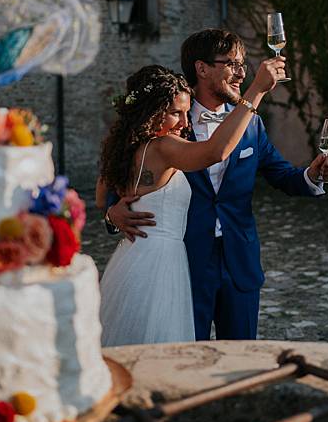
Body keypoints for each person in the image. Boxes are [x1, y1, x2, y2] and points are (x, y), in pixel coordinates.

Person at [104, 29, 328, 342]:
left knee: (241, 354)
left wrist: (313, 175)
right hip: (183, 264)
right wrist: (111, 214)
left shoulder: (250, 122)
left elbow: (281, 174)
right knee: (187, 358)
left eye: (243, 64)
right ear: (202, 68)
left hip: (238, 261)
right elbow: (119, 173)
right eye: (231, 64)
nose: (242, 72)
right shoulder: (169, 122)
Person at [97, 61, 279, 345]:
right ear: (152, 112)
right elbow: (215, 151)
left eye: (185, 112)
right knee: (164, 345)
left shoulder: (125, 149)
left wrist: (112, 212)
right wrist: (254, 93)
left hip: (132, 258)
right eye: (175, 114)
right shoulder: (164, 147)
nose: (184, 123)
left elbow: (101, 196)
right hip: (163, 263)